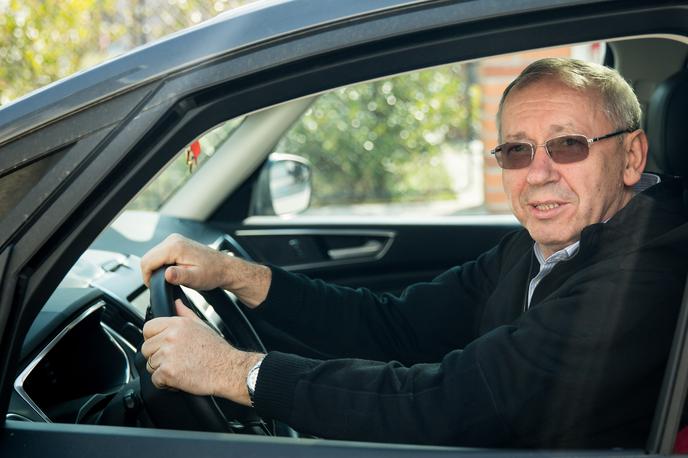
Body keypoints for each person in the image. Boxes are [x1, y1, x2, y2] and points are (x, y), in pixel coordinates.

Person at [140, 57, 688, 448]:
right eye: (517, 150)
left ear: (632, 156)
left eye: (567, 145)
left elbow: (450, 406)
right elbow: (396, 327)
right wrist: (240, 276)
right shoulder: (536, 247)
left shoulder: (652, 272)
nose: (538, 173)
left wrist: (236, 372)